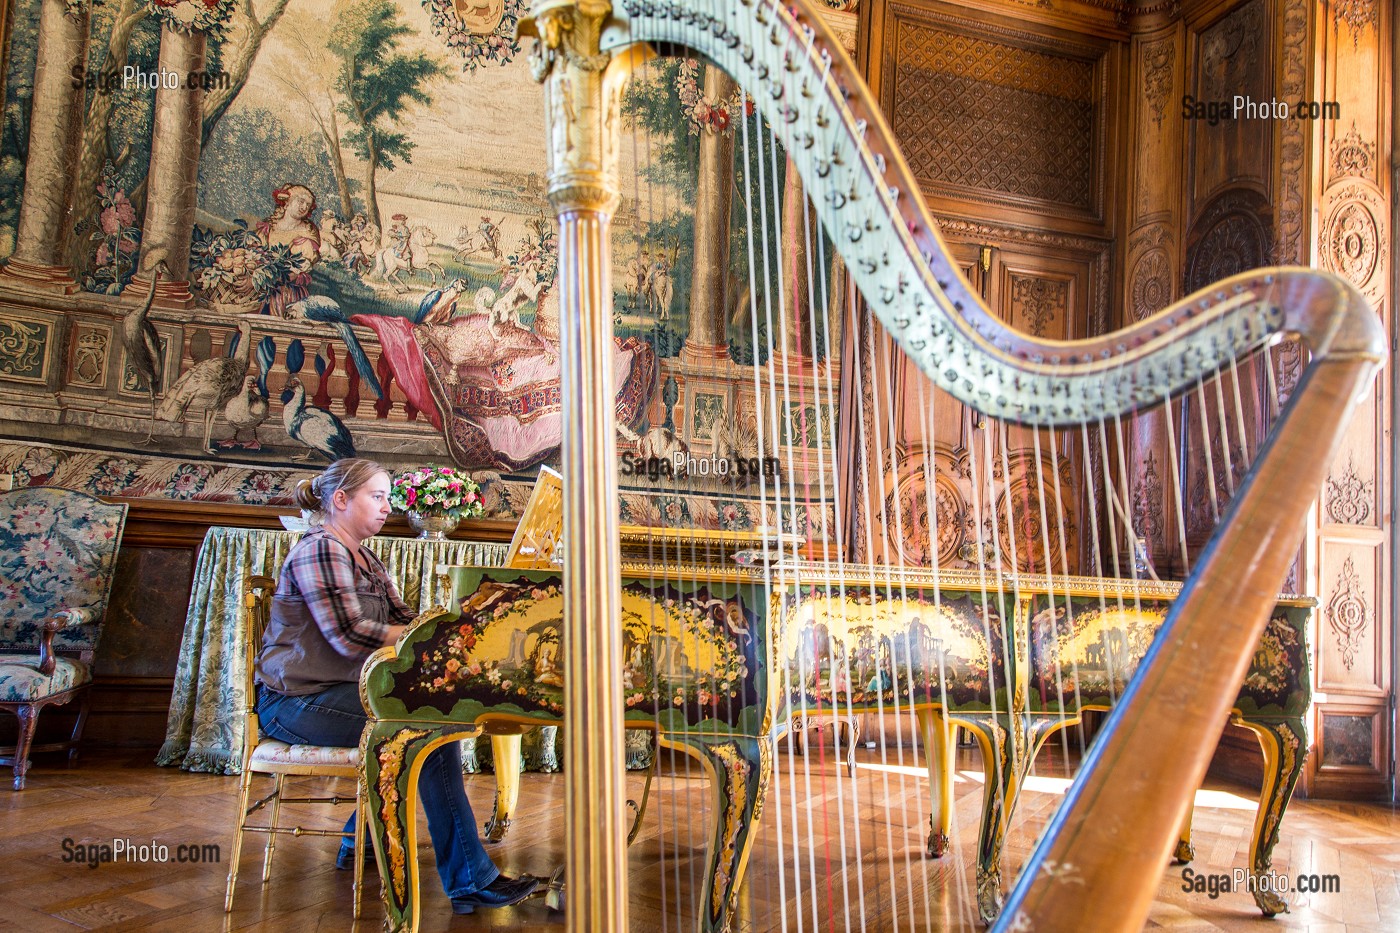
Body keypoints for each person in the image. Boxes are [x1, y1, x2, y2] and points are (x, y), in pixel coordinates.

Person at [254, 458, 539, 914]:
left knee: (422, 729)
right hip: (296, 704)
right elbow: (351, 634)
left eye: (388, 497)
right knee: (428, 731)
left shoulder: (363, 553)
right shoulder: (321, 550)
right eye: (378, 496)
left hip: (328, 693)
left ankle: (357, 840)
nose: (390, 506)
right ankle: (471, 879)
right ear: (341, 500)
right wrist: (440, 635)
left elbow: (402, 618)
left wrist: (459, 626)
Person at [257, 183, 321, 317]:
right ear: (287, 202)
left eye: (308, 205)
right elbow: (255, 254)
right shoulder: (269, 227)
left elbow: (303, 266)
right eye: (301, 201)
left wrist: (275, 277)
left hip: (289, 293)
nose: (304, 207)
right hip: (262, 288)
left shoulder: (307, 233)